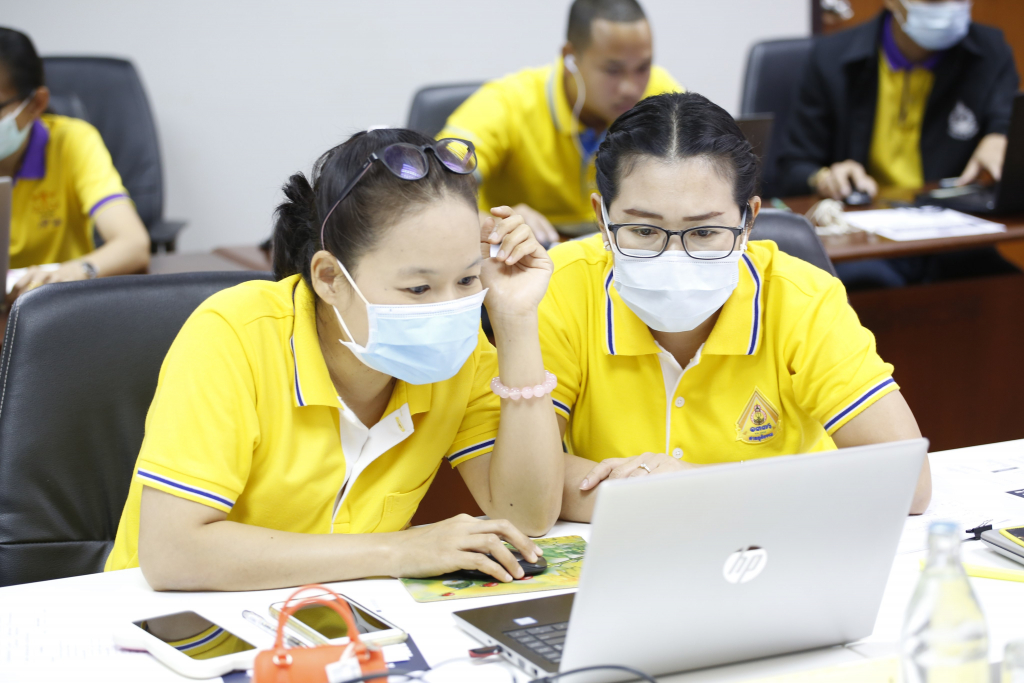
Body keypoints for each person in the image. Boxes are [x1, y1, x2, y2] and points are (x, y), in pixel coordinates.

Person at [105, 129, 564, 590]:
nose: (448, 308)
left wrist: (516, 319)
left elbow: (527, 516)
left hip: (338, 616)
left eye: (466, 280)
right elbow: (173, 552)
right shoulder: (234, 334)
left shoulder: (459, 353)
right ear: (330, 279)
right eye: (418, 288)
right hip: (167, 620)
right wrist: (397, 551)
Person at [538, 92, 932, 523]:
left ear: (749, 220)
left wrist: (695, 488)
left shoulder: (801, 297)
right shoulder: (559, 287)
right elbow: (528, 487)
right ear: (601, 218)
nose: (675, 256)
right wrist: (717, 495)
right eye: (644, 231)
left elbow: (907, 484)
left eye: (705, 232)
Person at [775, 1, 1019, 289]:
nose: (949, 6)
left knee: (1007, 289)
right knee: (864, 286)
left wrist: (1001, 137)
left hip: (953, 238)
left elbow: (1005, 117)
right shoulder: (831, 57)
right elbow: (792, 166)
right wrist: (825, 178)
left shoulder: (990, 50)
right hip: (865, 240)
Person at [438, 0, 682, 244]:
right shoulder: (508, 103)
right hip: (528, 253)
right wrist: (496, 224)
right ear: (570, 57)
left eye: (643, 68)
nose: (631, 88)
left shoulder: (661, 97)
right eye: (613, 70)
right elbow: (435, 185)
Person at [0, 27, 150, 301]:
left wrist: (81, 270)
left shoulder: (72, 142)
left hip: (57, 307)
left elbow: (134, 244)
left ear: (36, 103)